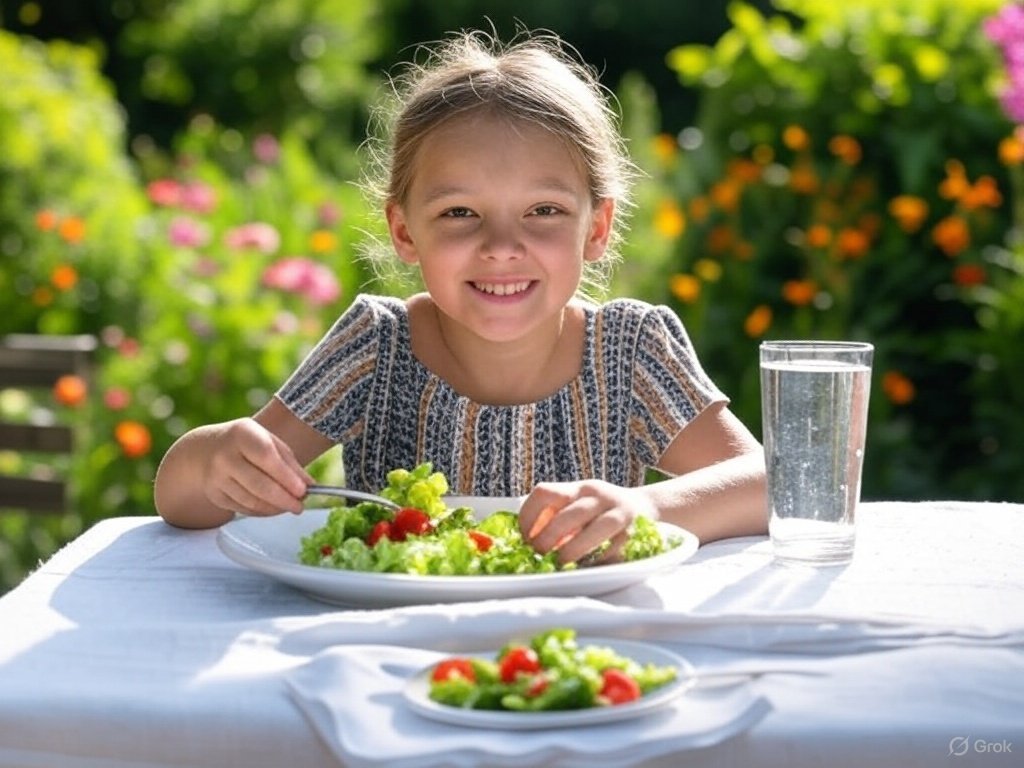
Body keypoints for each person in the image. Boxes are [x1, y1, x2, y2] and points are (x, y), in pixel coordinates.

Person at [153, 29, 767, 563]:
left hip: (583, 646)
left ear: (597, 229)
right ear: (404, 231)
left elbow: (774, 481)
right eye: (460, 212)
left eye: (544, 210)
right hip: (396, 649)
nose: (502, 246)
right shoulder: (375, 346)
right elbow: (180, 501)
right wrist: (215, 461)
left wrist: (647, 508)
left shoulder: (629, 351)